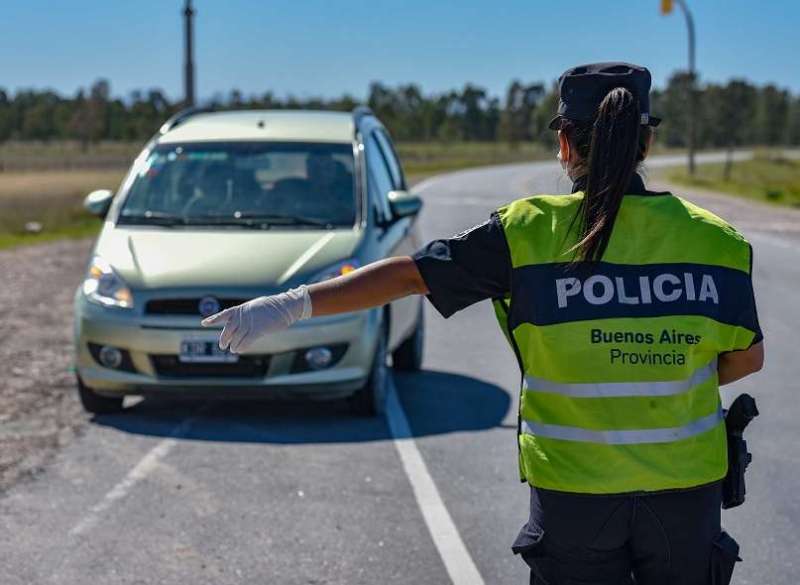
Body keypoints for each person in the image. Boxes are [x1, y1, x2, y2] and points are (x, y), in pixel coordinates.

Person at [201, 62, 764, 585]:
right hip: (687, 496)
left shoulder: (525, 233)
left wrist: (289, 304)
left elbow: (409, 277)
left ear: (565, 143)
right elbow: (746, 357)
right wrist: (655, 371)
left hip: (575, 497)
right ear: (647, 142)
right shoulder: (716, 240)